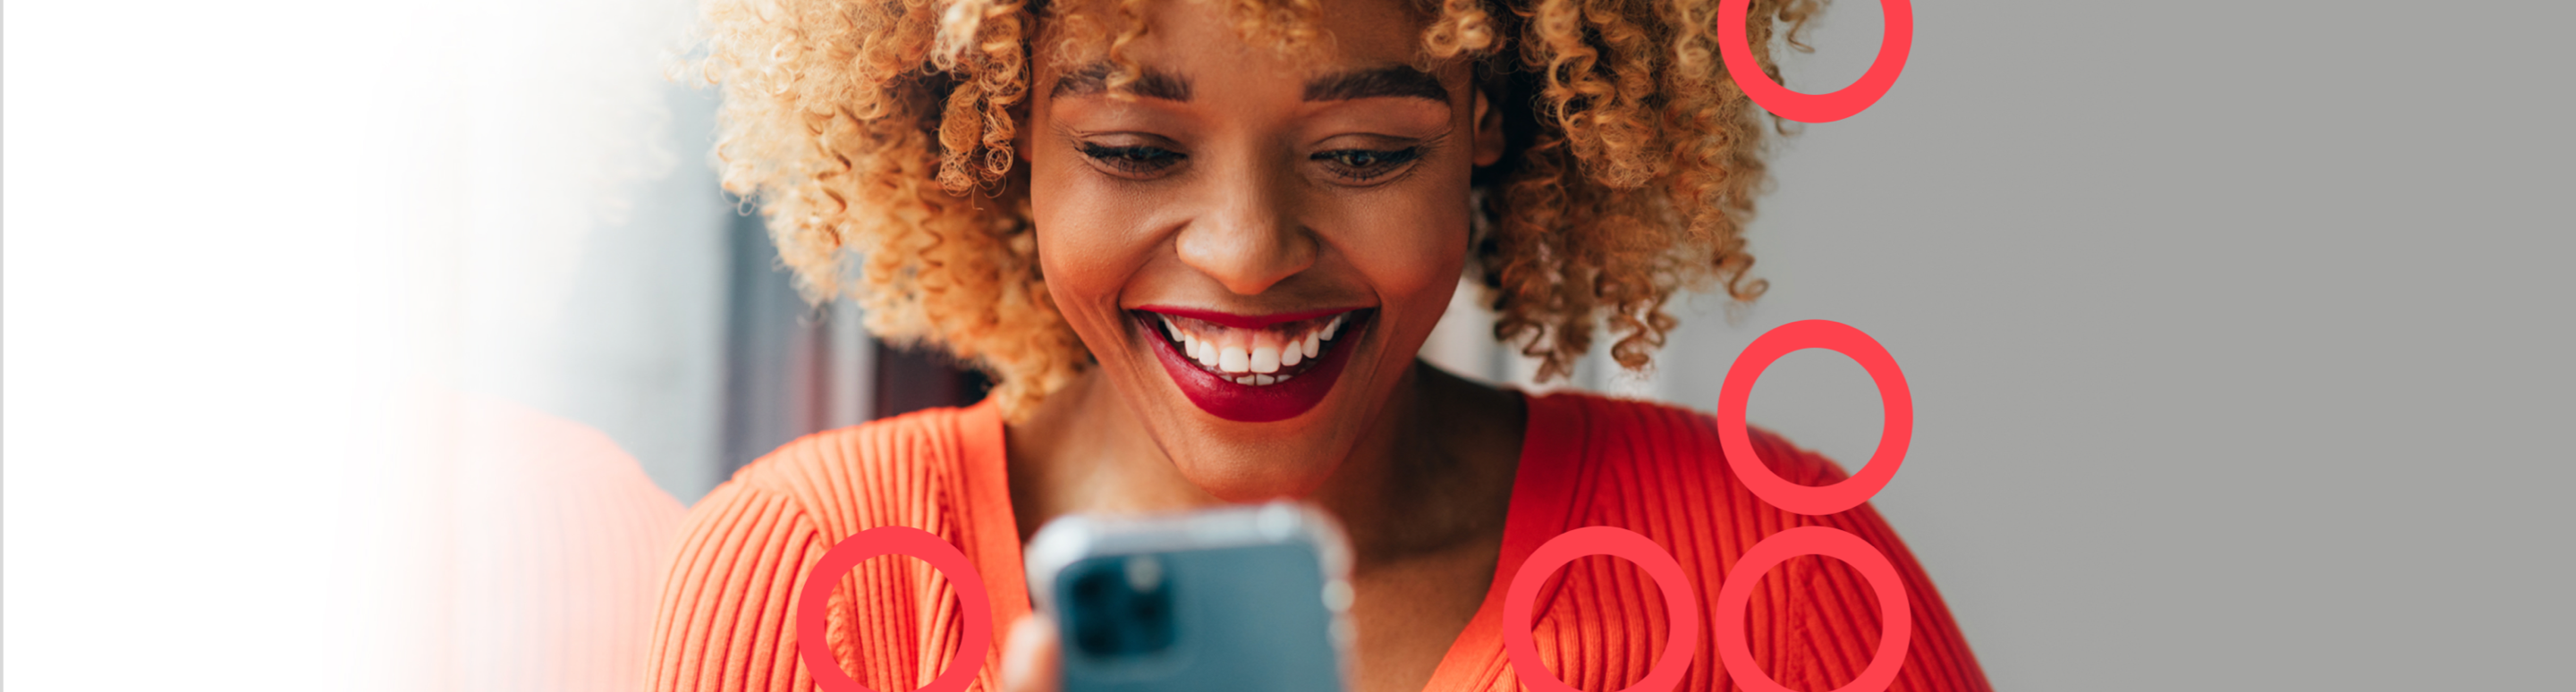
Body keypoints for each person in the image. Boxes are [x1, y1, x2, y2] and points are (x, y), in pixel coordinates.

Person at [649, 0, 1990, 688]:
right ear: (999, 136)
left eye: (1361, 153)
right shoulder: (808, 577)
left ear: (1491, 117)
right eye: (1130, 149)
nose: (1246, 249)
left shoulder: (1770, 566)